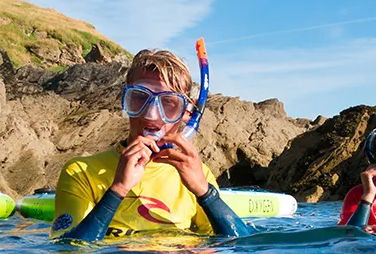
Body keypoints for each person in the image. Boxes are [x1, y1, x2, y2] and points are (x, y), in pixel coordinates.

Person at [50, 49, 249, 241]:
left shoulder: (198, 175)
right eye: (139, 98)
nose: (151, 115)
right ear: (125, 101)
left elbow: (240, 248)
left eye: (168, 103)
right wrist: (118, 188)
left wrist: (206, 194)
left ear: (187, 111)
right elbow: (68, 250)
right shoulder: (81, 172)